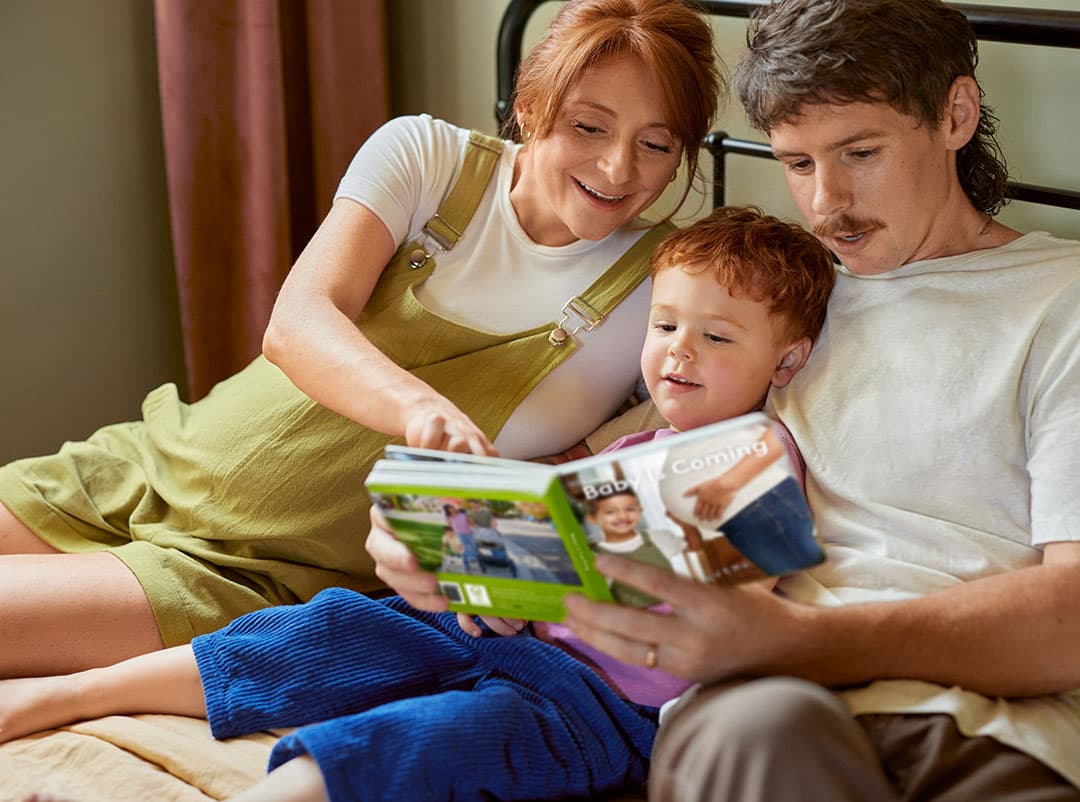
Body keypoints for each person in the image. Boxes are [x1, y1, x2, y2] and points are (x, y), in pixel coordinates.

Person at [0, 205, 837, 802]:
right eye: (662, 327)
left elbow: (746, 609)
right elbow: (541, 528)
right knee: (322, 629)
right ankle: (66, 695)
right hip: (498, 629)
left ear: (788, 362)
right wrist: (469, 555)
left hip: (595, 701)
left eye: (717, 338)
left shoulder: (760, 458)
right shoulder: (625, 448)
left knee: (424, 745)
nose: (677, 354)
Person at [0, 0, 723, 679]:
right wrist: (420, 412)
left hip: (244, 576)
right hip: (148, 466)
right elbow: (298, 321)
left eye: (656, 144)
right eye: (589, 128)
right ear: (529, 111)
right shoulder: (428, 157)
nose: (619, 169)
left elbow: (637, 467)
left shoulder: (666, 289)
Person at [557, 1, 1080, 799]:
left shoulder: (1061, 301)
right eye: (797, 164)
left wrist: (797, 638)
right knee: (764, 736)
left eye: (859, 151)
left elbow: (1071, 618)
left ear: (956, 114)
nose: (826, 202)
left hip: (995, 725)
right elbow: (604, 471)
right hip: (764, 707)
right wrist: (450, 548)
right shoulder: (770, 305)